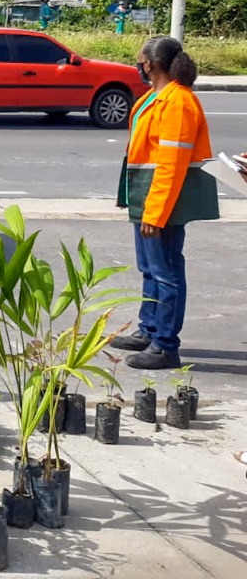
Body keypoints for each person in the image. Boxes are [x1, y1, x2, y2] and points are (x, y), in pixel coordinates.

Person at [110, 36, 215, 370]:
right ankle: (149, 329)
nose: (137, 65)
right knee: (150, 270)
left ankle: (165, 345)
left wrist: (156, 213)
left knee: (166, 272)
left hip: (164, 202)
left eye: (139, 60)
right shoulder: (158, 97)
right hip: (147, 196)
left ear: (151, 64)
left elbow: (171, 163)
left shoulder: (178, 102)